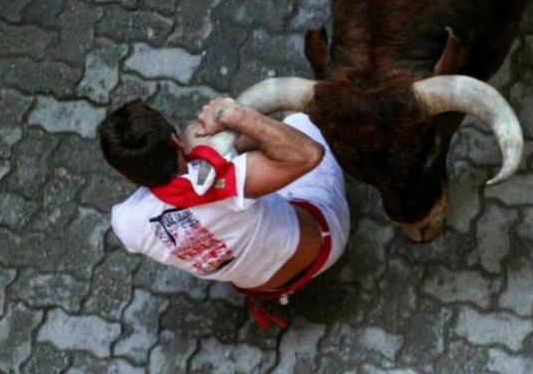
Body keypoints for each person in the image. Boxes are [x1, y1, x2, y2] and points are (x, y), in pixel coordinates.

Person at [97, 97, 350, 329]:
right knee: (301, 118)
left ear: (124, 175)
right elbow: (308, 154)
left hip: (260, 285)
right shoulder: (228, 184)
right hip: (326, 241)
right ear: (175, 142)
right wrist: (239, 117)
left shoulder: (126, 223)